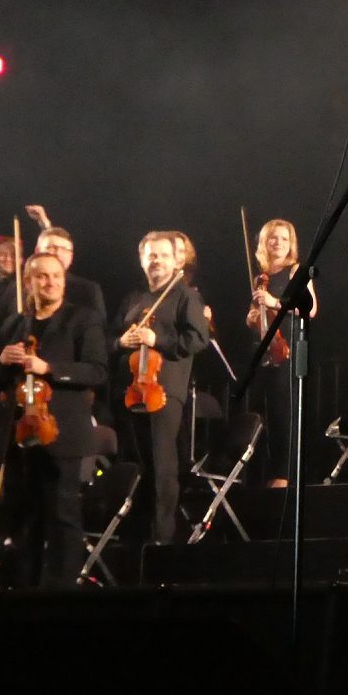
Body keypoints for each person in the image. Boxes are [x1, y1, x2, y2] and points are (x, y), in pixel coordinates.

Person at [0, 252, 108, 588]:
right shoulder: (15, 325)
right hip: (22, 434)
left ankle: (61, 591)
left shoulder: (82, 319)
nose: (50, 282)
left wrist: (48, 368)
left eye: (56, 276)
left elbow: (97, 371)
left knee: (63, 515)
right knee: (26, 517)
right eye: (42, 276)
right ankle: (26, 589)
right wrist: (1, 361)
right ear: (28, 282)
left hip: (61, 433)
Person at [115, 232, 210, 543]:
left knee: (162, 466)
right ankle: (137, 539)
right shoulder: (134, 299)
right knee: (138, 465)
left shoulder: (185, 296)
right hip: (132, 391)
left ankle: (162, 539)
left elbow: (198, 339)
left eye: (163, 255)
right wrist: (121, 342)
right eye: (151, 255)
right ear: (142, 260)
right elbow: (111, 338)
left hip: (164, 391)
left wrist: (158, 339)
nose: (157, 261)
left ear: (175, 261)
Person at [246, 219, 317, 488]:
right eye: (273, 238)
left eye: (284, 239)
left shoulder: (295, 270)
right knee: (261, 412)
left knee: (283, 413)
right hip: (263, 350)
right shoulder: (261, 278)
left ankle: (283, 475)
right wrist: (252, 317)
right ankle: (260, 474)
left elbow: (309, 308)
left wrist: (275, 302)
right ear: (264, 242)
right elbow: (255, 315)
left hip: (286, 349)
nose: (278, 243)